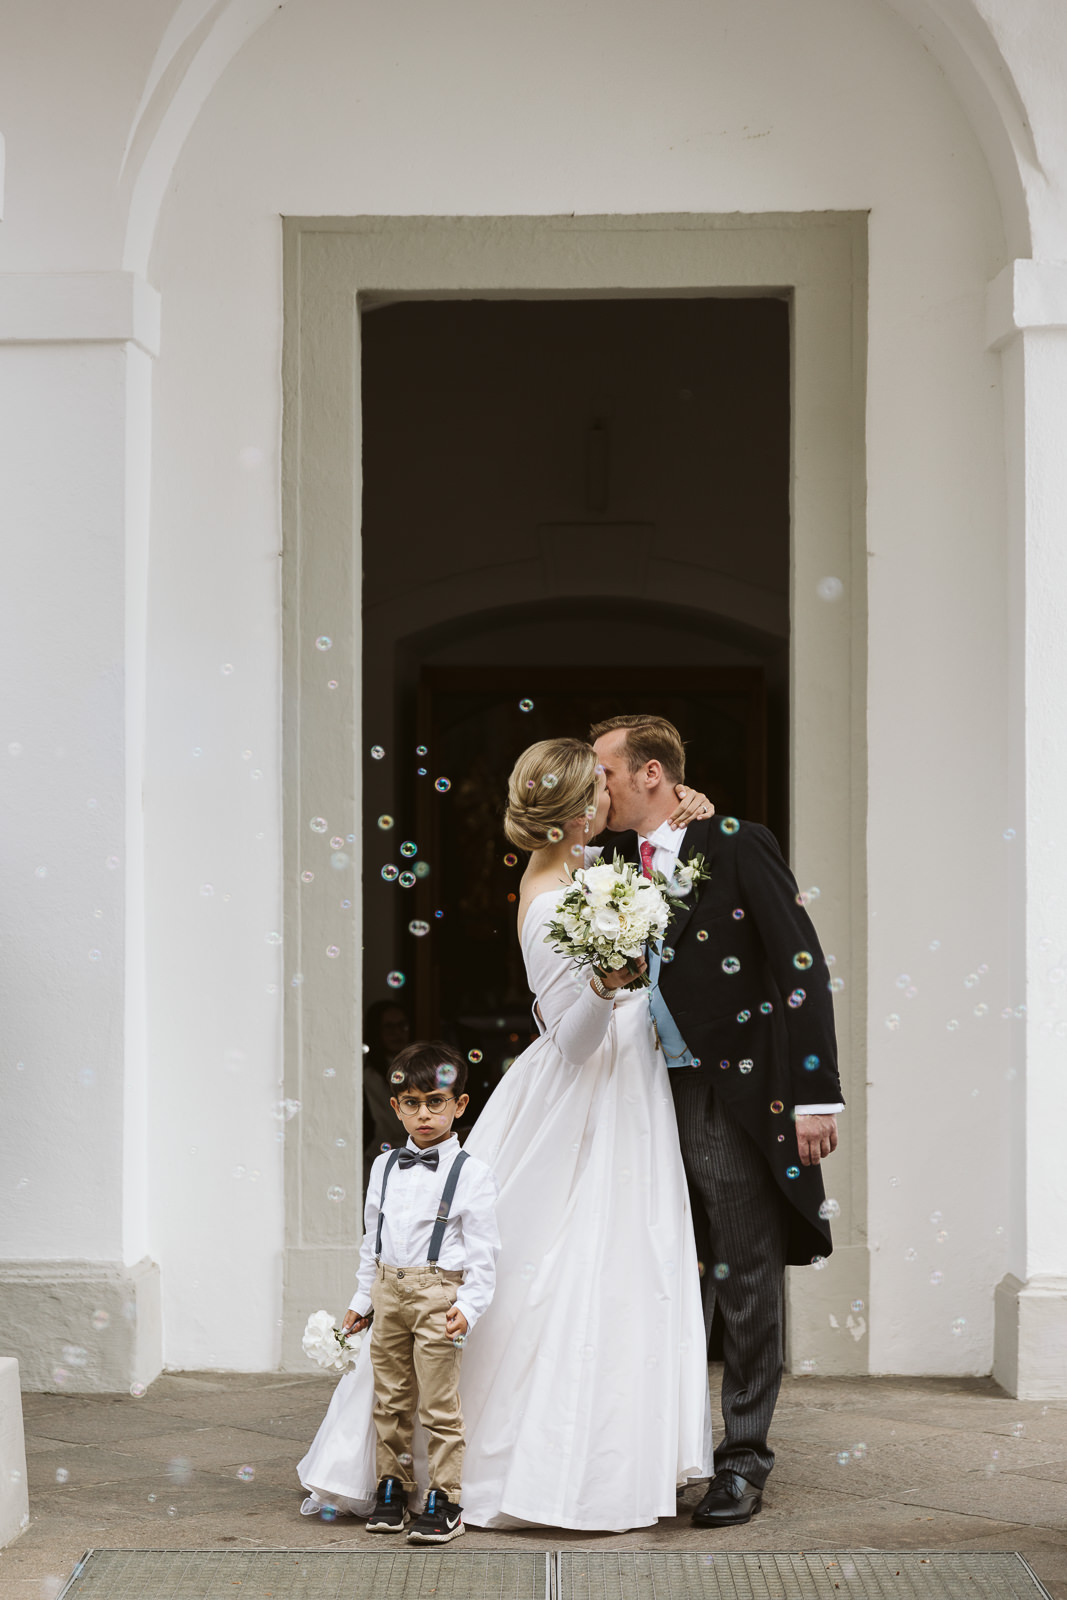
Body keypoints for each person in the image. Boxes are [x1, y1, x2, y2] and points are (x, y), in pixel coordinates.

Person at [296, 738, 715, 1532]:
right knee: (564, 1265)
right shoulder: (557, 900)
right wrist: (610, 981)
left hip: (623, 1092)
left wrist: (691, 807)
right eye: (597, 790)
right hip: (586, 1092)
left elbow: (656, 853)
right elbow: (574, 1037)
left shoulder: (580, 874)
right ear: (572, 814)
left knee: (616, 1262)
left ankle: (604, 1456)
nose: (609, 799)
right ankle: (539, 1466)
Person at [590, 714, 844, 1529]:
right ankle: (661, 1449)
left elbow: (798, 963)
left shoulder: (734, 843)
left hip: (720, 1089)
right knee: (655, 1270)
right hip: (630, 1089)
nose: (598, 788)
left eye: (606, 773)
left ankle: (741, 1459)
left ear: (653, 774)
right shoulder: (604, 865)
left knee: (741, 1269)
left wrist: (814, 1093)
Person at [320, 1041, 499, 1544]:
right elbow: (370, 1239)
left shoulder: (472, 1173)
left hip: (438, 1294)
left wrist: (469, 1305)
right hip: (388, 1288)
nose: (424, 1114)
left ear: (458, 1105)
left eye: (435, 1101)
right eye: (412, 1103)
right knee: (390, 1398)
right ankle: (393, 1488)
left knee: (439, 1404)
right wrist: (362, 1301)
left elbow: (485, 1251)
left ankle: (447, 1499)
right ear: (396, 1107)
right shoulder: (383, 1168)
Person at [362, 1000, 412, 1191]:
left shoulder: (414, 1070)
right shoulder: (369, 1077)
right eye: (389, 1027)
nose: (397, 1032)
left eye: (402, 1025)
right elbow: (387, 1128)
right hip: (383, 1165)